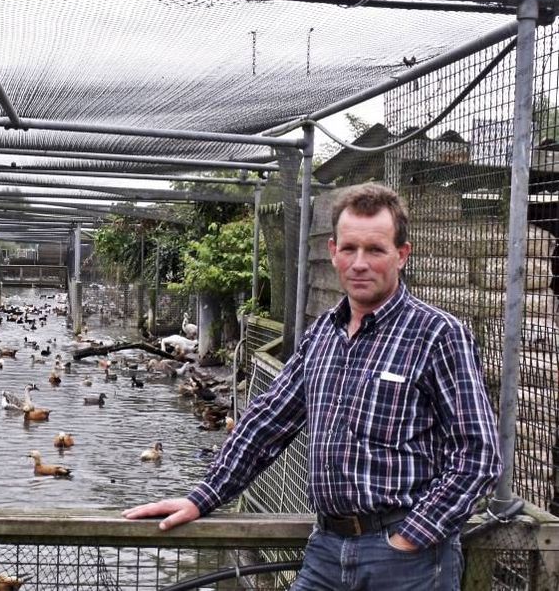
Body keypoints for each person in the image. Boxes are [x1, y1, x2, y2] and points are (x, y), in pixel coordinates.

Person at [123, 183, 501, 590]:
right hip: (326, 546)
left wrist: (412, 537)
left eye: (375, 250)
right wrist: (203, 496)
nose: (360, 263)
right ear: (333, 251)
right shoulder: (322, 334)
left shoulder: (438, 334)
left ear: (401, 255)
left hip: (405, 558)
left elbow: (478, 454)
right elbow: (268, 422)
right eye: (349, 249)